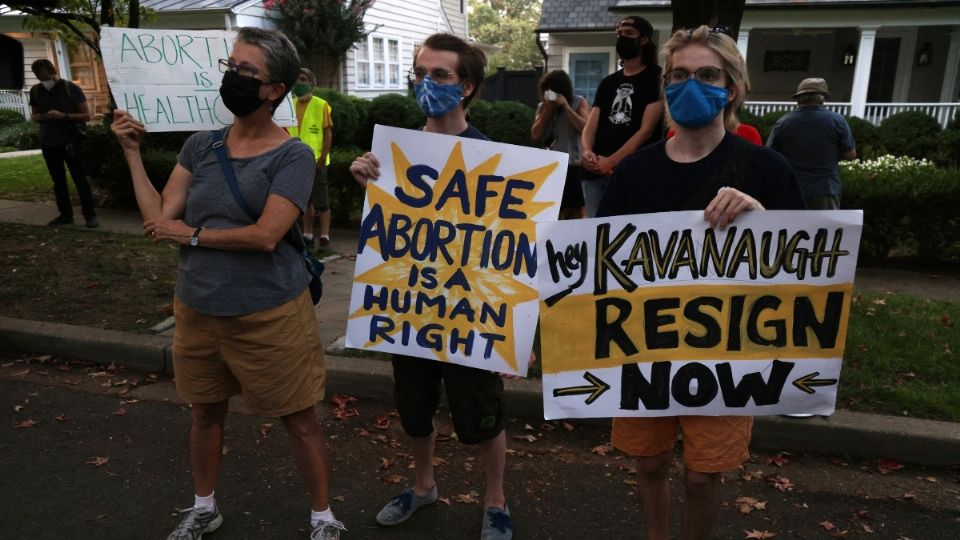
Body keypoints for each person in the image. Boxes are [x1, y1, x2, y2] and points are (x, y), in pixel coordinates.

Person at [110, 27, 345, 540]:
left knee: (299, 419)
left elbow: (266, 236)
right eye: (230, 67)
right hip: (197, 309)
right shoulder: (201, 145)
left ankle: (323, 517)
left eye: (246, 72)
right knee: (205, 413)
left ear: (274, 89)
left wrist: (189, 235)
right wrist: (131, 151)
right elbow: (158, 219)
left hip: (269, 313)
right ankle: (202, 507)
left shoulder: (292, 157)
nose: (232, 79)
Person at [597, 26, 805, 540]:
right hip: (645, 346)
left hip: (726, 352)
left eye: (707, 75)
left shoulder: (767, 168)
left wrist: (760, 217)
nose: (692, 85)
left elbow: (804, 260)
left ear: (731, 87)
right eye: (680, 75)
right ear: (665, 86)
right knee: (648, 465)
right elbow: (600, 262)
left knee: (701, 475)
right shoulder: (634, 173)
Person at [349, 33, 513, 540]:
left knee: (482, 416)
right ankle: (423, 487)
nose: (427, 82)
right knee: (415, 410)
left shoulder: (498, 159)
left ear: (466, 86)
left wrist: (516, 323)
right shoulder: (394, 156)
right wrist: (367, 181)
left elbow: (514, 248)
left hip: (470, 314)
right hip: (410, 310)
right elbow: (391, 234)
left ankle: (495, 502)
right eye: (420, 72)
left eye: (440, 74)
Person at [580, 15, 665, 217]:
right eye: (619, 33)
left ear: (644, 39)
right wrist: (587, 151)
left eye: (628, 33)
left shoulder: (656, 78)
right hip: (594, 173)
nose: (622, 37)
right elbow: (591, 124)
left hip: (635, 173)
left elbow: (646, 131)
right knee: (596, 232)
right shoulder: (608, 82)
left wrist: (612, 161)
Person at [767, 77, 857, 209]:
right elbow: (851, 154)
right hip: (826, 189)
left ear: (798, 99)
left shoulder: (784, 122)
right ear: (823, 98)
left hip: (792, 188)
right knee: (825, 228)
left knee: (793, 228)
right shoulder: (837, 120)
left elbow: (770, 155)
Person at [28, 59, 98, 228]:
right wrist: (41, 117)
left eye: (46, 76)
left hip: (71, 141)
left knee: (79, 179)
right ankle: (65, 214)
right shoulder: (36, 91)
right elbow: (35, 114)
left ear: (53, 72)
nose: (44, 80)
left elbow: (86, 115)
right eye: (40, 77)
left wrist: (63, 116)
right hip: (49, 141)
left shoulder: (70, 88)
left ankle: (90, 215)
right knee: (58, 181)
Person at [531, 69, 590, 219]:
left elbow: (586, 128)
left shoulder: (579, 102)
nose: (550, 95)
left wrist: (566, 107)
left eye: (553, 92)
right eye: (547, 92)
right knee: (556, 209)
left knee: (578, 209)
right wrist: (548, 110)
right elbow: (535, 134)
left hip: (574, 164)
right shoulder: (543, 107)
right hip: (552, 165)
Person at [288, 67, 334, 249]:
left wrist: (323, 157)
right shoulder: (289, 105)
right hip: (295, 162)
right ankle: (307, 234)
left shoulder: (320, 105)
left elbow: (327, 133)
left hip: (316, 161)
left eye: (302, 79)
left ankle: (324, 236)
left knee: (322, 201)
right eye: (296, 79)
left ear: (311, 83)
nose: (299, 83)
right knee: (304, 201)